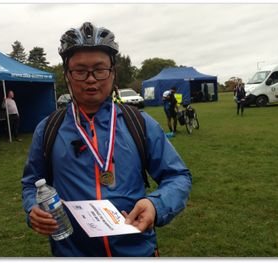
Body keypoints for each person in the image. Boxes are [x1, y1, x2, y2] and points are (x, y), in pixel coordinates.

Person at [21, 22, 192, 257]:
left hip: (136, 252)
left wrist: (156, 205)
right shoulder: (49, 128)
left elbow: (177, 176)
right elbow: (32, 183)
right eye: (80, 71)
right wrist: (32, 207)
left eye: (100, 69)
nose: (91, 79)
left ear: (113, 72)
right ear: (67, 75)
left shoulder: (140, 123)